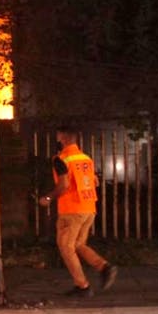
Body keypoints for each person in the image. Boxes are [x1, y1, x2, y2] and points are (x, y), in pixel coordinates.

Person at [38, 125, 118, 297]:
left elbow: (64, 185)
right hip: (89, 208)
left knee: (66, 247)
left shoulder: (61, 159)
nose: (57, 137)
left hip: (72, 210)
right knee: (78, 245)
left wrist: (48, 198)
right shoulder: (85, 158)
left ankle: (82, 286)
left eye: (58, 134)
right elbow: (95, 182)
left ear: (62, 137)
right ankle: (104, 267)